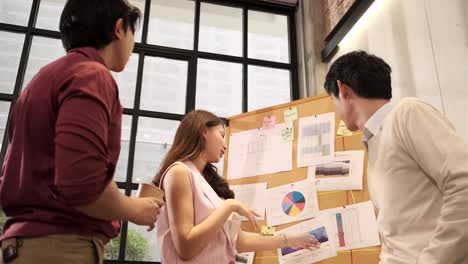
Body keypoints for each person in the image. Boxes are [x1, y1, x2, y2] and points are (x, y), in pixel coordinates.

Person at [0, 1, 163, 263]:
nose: (134, 46)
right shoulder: (92, 75)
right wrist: (134, 209)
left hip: (22, 245)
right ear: (119, 28)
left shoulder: (43, 78)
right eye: (134, 32)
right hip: (61, 248)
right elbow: (81, 185)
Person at [324, 50, 468, 264]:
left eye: (332, 100)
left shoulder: (407, 113)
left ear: (342, 90)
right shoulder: (374, 140)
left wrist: (433, 260)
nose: (335, 110)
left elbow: (463, 183)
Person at [153, 110, 320, 263]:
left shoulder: (203, 181)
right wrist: (229, 206)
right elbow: (186, 248)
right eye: (221, 135)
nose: (225, 146)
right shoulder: (179, 172)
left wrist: (293, 240)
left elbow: (240, 241)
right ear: (203, 131)